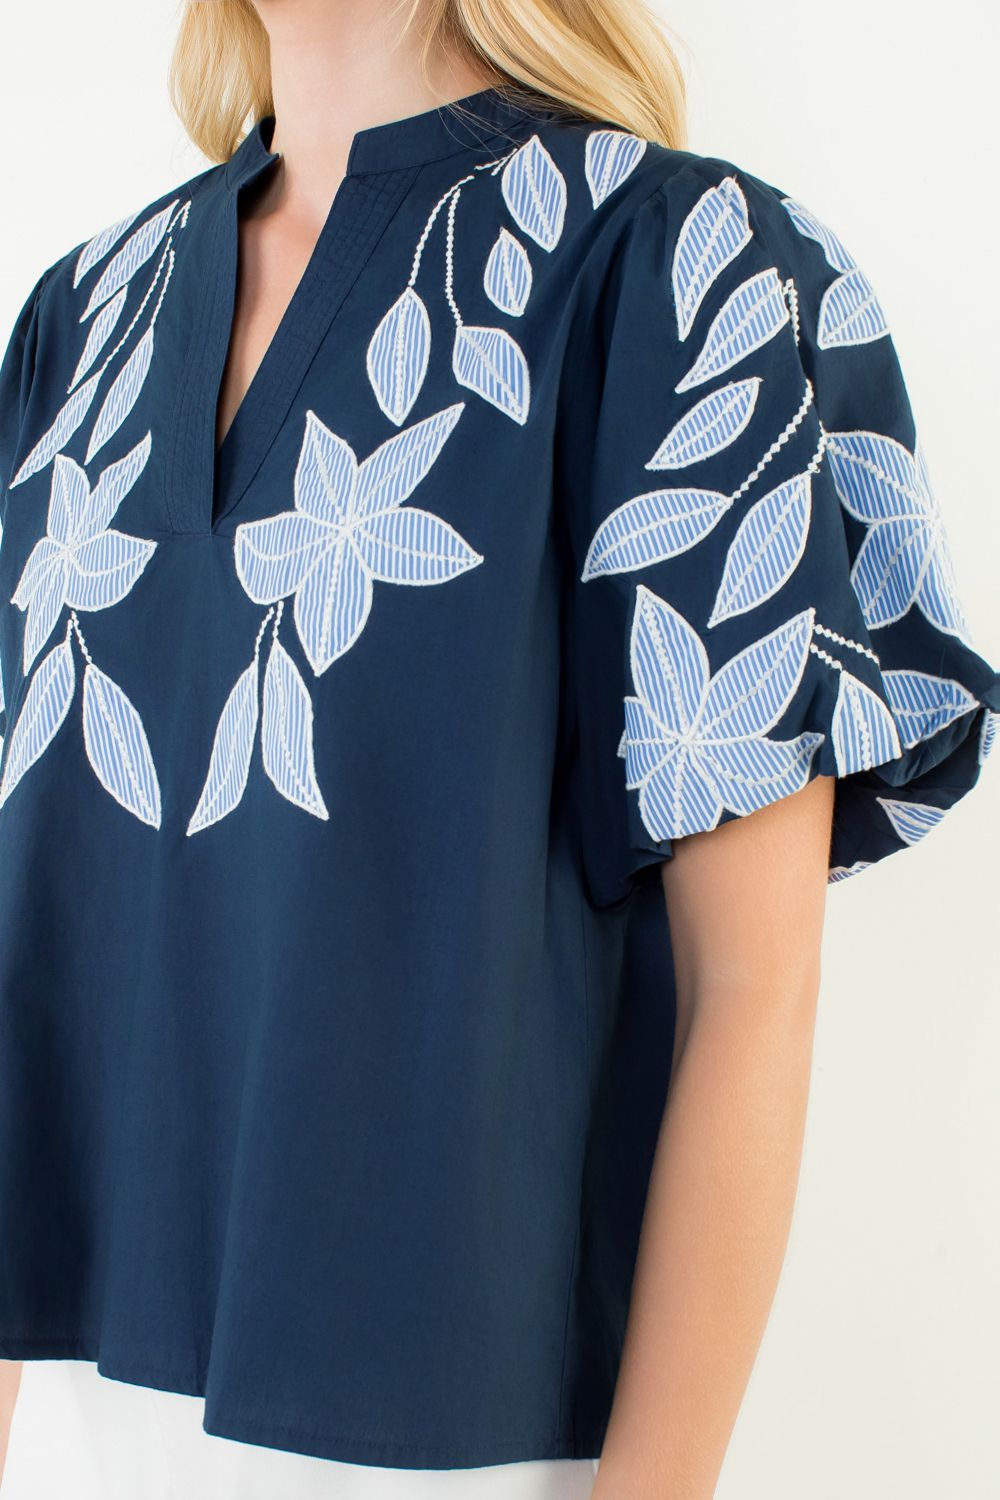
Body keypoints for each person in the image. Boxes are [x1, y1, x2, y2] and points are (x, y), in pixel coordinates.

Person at [0, 0, 997, 1496]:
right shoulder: (85, 316)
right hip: (78, 1438)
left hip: (465, 1448)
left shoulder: (680, 268)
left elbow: (753, 990)